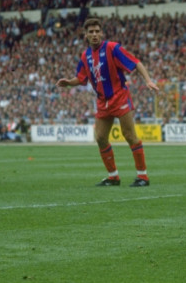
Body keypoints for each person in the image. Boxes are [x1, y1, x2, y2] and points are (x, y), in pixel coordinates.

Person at [56, 17, 159, 187]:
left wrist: (148, 80)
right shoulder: (85, 55)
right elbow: (81, 79)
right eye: (91, 32)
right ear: (86, 35)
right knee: (101, 137)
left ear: (101, 33)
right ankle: (113, 177)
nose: (95, 34)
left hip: (119, 97)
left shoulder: (112, 48)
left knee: (129, 135)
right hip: (102, 102)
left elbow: (136, 63)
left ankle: (143, 176)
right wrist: (68, 82)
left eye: (97, 31)